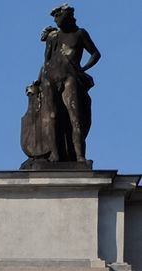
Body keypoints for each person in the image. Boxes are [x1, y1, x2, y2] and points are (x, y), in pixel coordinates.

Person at [21, 5, 100, 167]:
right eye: (55, 18)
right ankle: (55, 154)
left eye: (59, 17)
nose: (56, 21)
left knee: (75, 118)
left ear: (68, 17)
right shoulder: (53, 37)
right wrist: (38, 81)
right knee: (52, 116)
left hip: (70, 77)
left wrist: (82, 69)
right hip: (50, 78)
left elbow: (95, 53)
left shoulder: (80, 34)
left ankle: (79, 157)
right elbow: (47, 61)